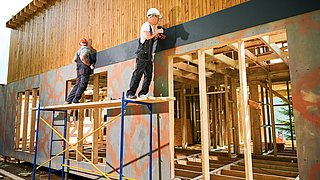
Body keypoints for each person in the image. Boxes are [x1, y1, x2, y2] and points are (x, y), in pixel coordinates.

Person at [126, 8, 166, 99]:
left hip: (148, 55)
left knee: (149, 75)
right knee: (138, 74)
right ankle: (130, 93)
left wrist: (158, 36)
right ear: (152, 16)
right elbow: (148, 37)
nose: (158, 19)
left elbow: (151, 37)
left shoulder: (151, 27)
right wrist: (158, 31)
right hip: (142, 54)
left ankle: (143, 93)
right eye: (157, 17)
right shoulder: (146, 25)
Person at [65, 38, 94, 104]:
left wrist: (79, 64)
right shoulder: (86, 49)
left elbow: (73, 61)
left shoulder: (78, 51)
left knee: (77, 84)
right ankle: (75, 100)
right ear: (86, 43)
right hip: (84, 69)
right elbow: (83, 58)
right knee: (83, 85)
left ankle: (68, 100)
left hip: (79, 70)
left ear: (80, 44)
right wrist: (89, 65)